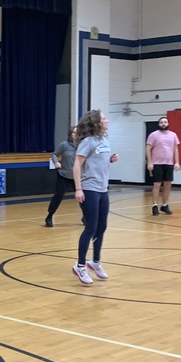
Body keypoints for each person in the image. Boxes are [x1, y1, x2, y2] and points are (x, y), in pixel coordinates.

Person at [71, 110, 118, 285]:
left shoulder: (104, 140)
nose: (107, 120)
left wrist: (111, 159)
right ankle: (80, 266)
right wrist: (78, 189)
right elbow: (77, 165)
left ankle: (95, 262)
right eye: (104, 118)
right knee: (90, 227)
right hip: (89, 188)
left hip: (103, 189)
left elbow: (99, 162)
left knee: (102, 226)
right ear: (96, 122)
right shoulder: (87, 142)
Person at [145, 116, 181, 215]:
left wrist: (177, 162)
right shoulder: (153, 135)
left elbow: (176, 149)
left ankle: (165, 205)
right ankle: (155, 205)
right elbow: (148, 148)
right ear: (159, 124)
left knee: (167, 185)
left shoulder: (173, 135)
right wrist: (150, 162)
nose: (163, 124)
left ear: (168, 123)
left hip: (168, 163)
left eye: (165, 122)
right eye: (161, 122)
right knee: (157, 185)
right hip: (157, 164)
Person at [45, 127, 77, 227]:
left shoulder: (82, 146)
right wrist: (56, 162)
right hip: (63, 174)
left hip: (76, 176)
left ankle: (85, 216)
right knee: (58, 196)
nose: (76, 134)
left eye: (78, 133)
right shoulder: (64, 145)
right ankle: (49, 216)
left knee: (83, 197)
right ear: (70, 134)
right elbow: (54, 154)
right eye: (74, 132)